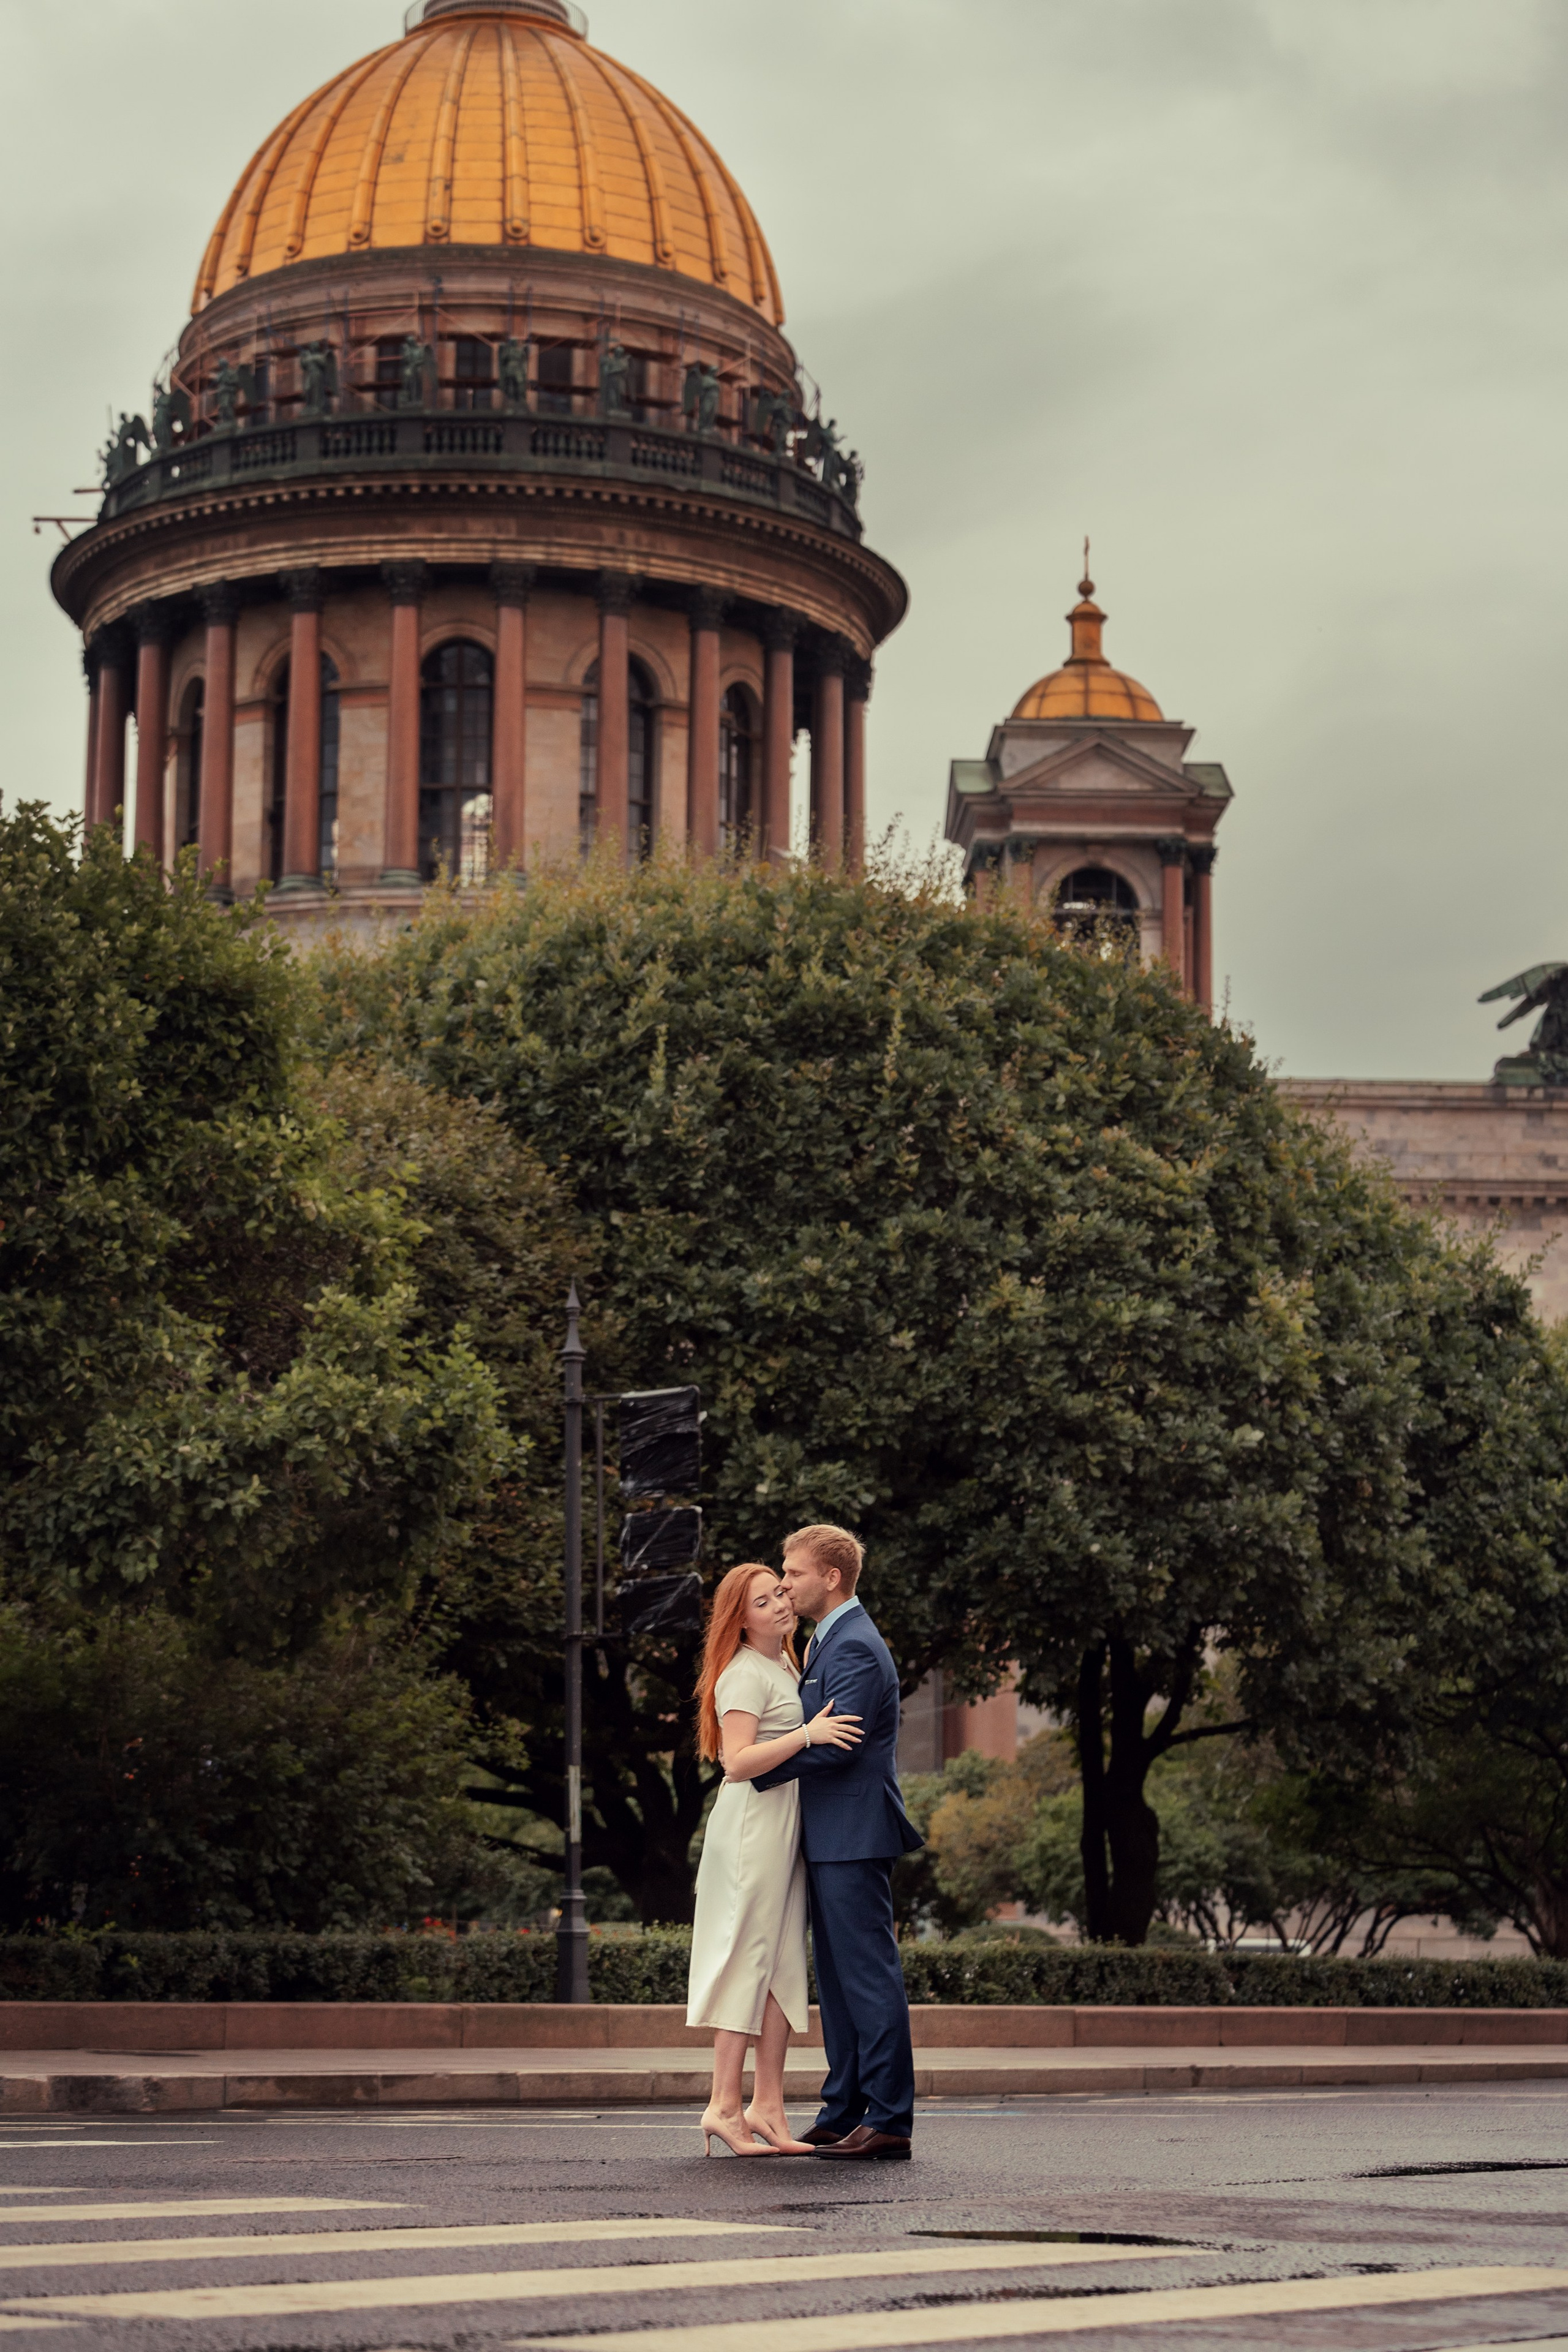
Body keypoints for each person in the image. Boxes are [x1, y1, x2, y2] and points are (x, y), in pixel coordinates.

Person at [754, 1524, 924, 2162]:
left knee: (866, 1978)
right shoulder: (831, 1642)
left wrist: (756, 1770)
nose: (784, 1583)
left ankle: (888, 2118)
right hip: (833, 1833)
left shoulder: (853, 1646)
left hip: (853, 1830)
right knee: (839, 1980)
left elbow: (838, 1744)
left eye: (793, 1573)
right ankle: (844, 2108)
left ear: (830, 1577)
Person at [687, 1561, 863, 2157]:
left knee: (782, 1963)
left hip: (783, 1827)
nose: (780, 1605)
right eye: (763, 1602)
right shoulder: (742, 1674)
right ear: (739, 1619)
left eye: (780, 1594)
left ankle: (766, 2105)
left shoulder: (784, 1662)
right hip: (750, 1831)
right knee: (747, 1957)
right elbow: (735, 1763)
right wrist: (807, 1736)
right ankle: (722, 2106)